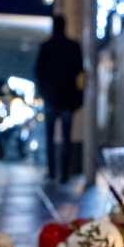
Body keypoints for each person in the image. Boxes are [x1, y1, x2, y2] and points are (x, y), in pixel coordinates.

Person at [34, 13, 85, 181]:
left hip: (51, 99)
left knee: (50, 138)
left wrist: (44, 92)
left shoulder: (46, 47)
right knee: (66, 138)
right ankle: (64, 174)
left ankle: (51, 171)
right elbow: (80, 71)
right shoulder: (73, 46)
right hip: (68, 100)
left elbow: (38, 73)